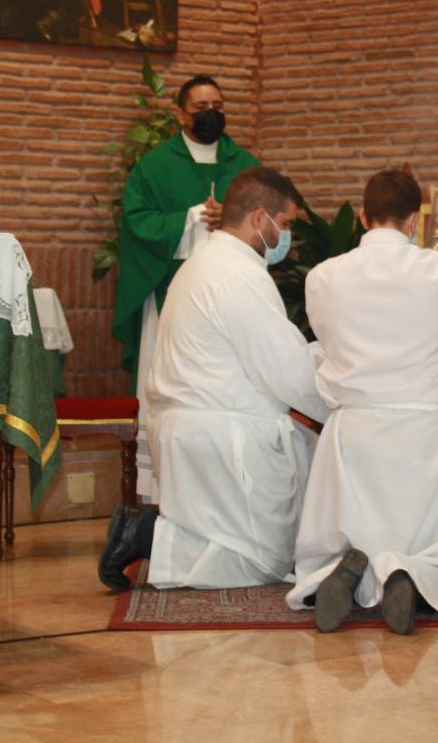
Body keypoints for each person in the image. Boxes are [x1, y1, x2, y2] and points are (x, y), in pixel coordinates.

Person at [97, 166, 330, 591]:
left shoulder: (205, 261)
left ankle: (150, 531)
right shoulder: (238, 274)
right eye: (286, 224)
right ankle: (144, 533)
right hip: (222, 436)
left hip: (198, 428)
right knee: (262, 566)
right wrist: (338, 404)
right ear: (261, 218)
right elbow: (287, 373)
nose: (284, 237)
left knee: (259, 548)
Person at [285, 170, 438, 634]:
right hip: (423, 432)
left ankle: (337, 575)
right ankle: (412, 576)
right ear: (413, 222)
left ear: (362, 217)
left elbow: (325, 337)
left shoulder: (324, 277)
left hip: (355, 432)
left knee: (342, 531)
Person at [112, 74, 259, 502]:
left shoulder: (245, 163)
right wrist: (191, 217)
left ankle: (229, 481)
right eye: (201, 107)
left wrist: (232, 217)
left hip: (231, 298)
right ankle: (160, 487)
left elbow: (268, 219)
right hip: (172, 293)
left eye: (218, 104)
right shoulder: (155, 166)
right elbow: (136, 221)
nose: (211, 113)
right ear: (180, 114)